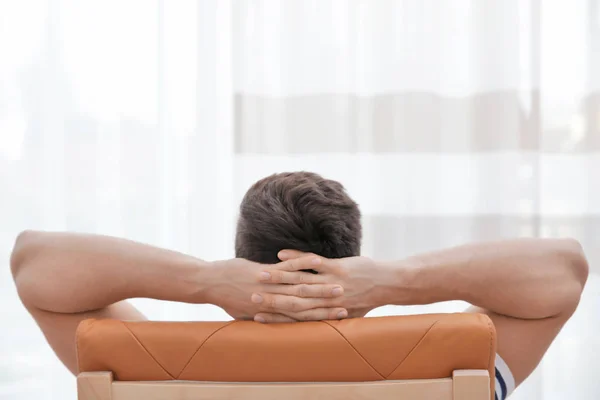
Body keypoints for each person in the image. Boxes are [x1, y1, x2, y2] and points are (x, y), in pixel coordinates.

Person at [11, 172, 588, 400]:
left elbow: (33, 264)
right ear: (354, 261)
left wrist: (206, 282)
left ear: (243, 260)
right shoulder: (447, 363)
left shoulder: (155, 367)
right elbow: (563, 271)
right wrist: (396, 281)